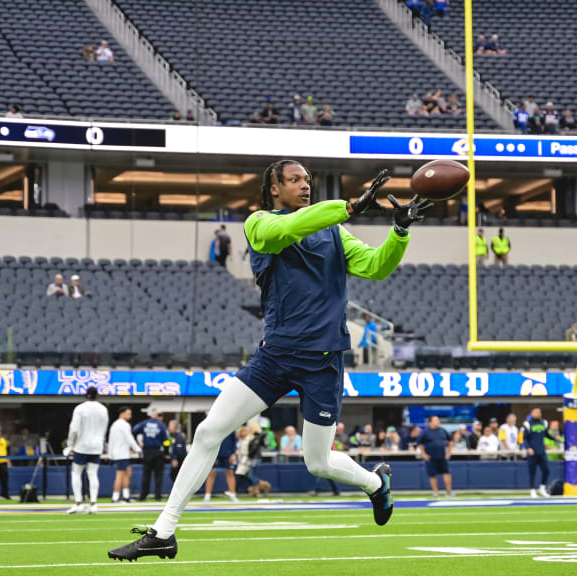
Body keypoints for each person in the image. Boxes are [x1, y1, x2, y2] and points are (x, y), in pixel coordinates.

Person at [107, 159, 424, 561]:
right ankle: (164, 531)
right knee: (208, 432)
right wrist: (349, 207)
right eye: (294, 180)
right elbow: (288, 229)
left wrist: (398, 231)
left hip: (323, 358)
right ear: (274, 188)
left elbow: (376, 267)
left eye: (307, 180)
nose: (304, 186)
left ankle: (376, 485)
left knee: (318, 462)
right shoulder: (259, 223)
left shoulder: (333, 231)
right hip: (275, 355)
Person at [64, 386, 109, 514]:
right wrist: (101, 444)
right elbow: (104, 429)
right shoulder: (103, 409)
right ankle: (93, 504)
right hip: (96, 446)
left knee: (76, 473)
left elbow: (74, 428)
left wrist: (70, 444)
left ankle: (78, 503)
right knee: (93, 474)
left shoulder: (80, 408)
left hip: (81, 446)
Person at [132, 408, 169, 501]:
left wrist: (136, 444)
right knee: (158, 475)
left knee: (146, 474)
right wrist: (166, 452)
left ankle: (143, 495)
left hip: (147, 451)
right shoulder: (161, 425)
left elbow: (134, 430)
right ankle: (158, 496)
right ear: (157, 416)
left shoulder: (144, 423)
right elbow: (166, 440)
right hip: (158, 451)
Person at [108, 406, 140, 503]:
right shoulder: (124, 425)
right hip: (121, 454)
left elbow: (111, 440)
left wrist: (110, 454)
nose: (130, 416)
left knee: (128, 472)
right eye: (128, 413)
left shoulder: (114, 425)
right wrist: (137, 448)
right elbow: (129, 438)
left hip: (119, 453)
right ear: (122, 413)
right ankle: (115, 497)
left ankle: (126, 496)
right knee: (120, 475)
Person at [524, 407, 557, 497]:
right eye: (536, 412)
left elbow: (546, 434)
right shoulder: (527, 424)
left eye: (539, 412)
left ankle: (542, 488)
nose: (538, 413)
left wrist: (554, 439)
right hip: (532, 451)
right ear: (532, 413)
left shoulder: (544, 423)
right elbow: (524, 438)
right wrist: (528, 448)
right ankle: (532, 489)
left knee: (546, 470)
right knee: (532, 471)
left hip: (541, 451)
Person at [417, 417, 453, 496]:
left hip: (442, 455)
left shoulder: (443, 430)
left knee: (447, 472)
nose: (438, 422)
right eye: (436, 420)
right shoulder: (425, 432)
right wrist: (424, 454)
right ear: (430, 422)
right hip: (431, 457)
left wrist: (449, 452)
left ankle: (449, 491)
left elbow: (450, 441)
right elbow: (419, 443)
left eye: (438, 420)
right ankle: (435, 492)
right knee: (432, 474)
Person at [204, 432, 239, 502]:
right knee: (211, 473)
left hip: (228, 454)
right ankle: (207, 496)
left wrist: (233, 454)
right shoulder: (214, 427)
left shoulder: (231, 427)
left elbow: (235, 441)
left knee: (230, 473)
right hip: (215, 454)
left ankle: (233, 495)